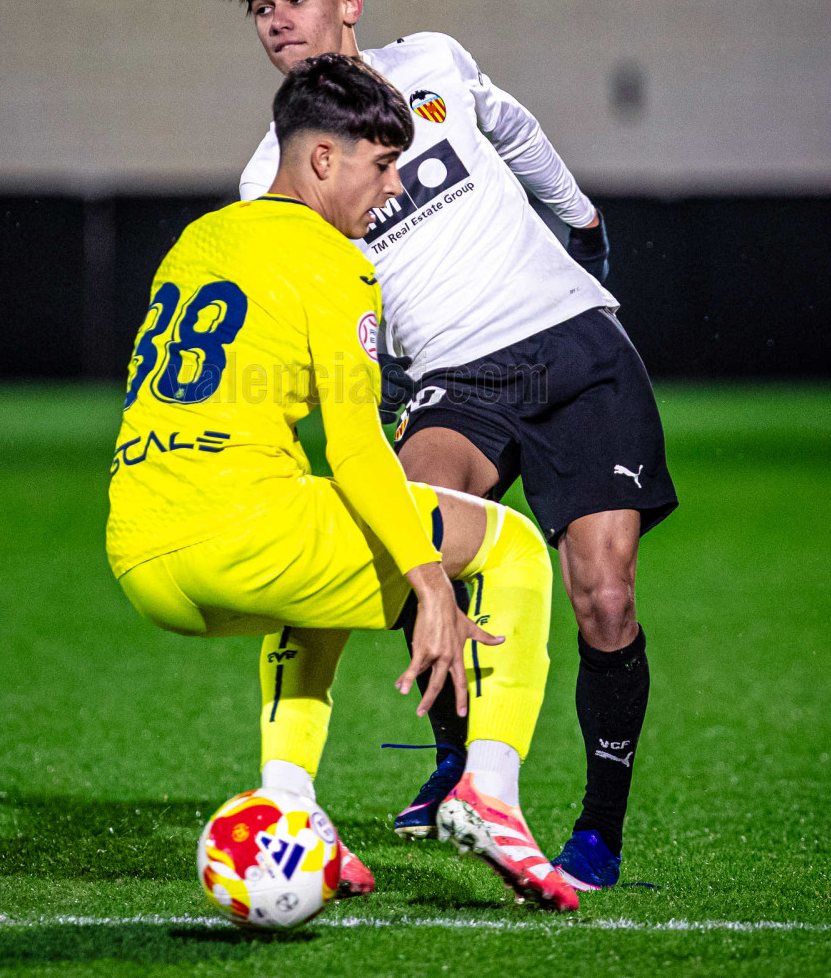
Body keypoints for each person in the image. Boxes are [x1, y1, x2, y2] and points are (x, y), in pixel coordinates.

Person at [220, 0, 678, 891]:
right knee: (407, 534)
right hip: (455, 381)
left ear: (349, 0)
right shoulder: (272, 176)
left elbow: (515, 132)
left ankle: (598, 830)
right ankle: (460, 762)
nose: (276, 21)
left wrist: (582, 221)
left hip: (573, 344)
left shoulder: (430, 61)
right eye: (261, 8)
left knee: (604, 598)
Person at [106, 53, 579, 912]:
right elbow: (358, 448)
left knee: (320, 551)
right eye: (384, 163)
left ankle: (289, 806)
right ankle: (491, 795)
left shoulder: (200, 238)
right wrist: (431, 585)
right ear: (323, 158)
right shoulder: (335, 262)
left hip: (141, 554)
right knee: (512, 549)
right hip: (240, 538)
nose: (394, 186)